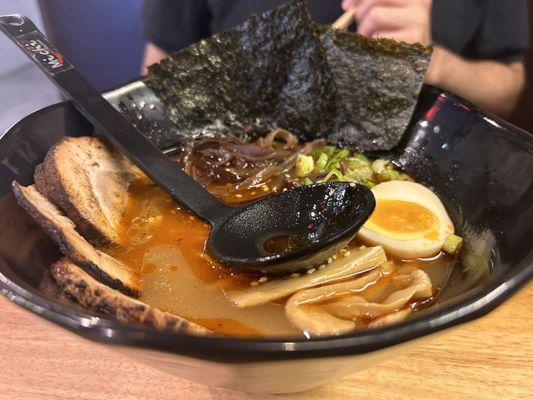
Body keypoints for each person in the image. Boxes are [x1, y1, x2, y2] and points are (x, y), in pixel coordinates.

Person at [141, 0, 528, 117]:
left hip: (426, 182)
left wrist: (437, 63)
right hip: (233, 188)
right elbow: (156, 82)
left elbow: (509, 90)